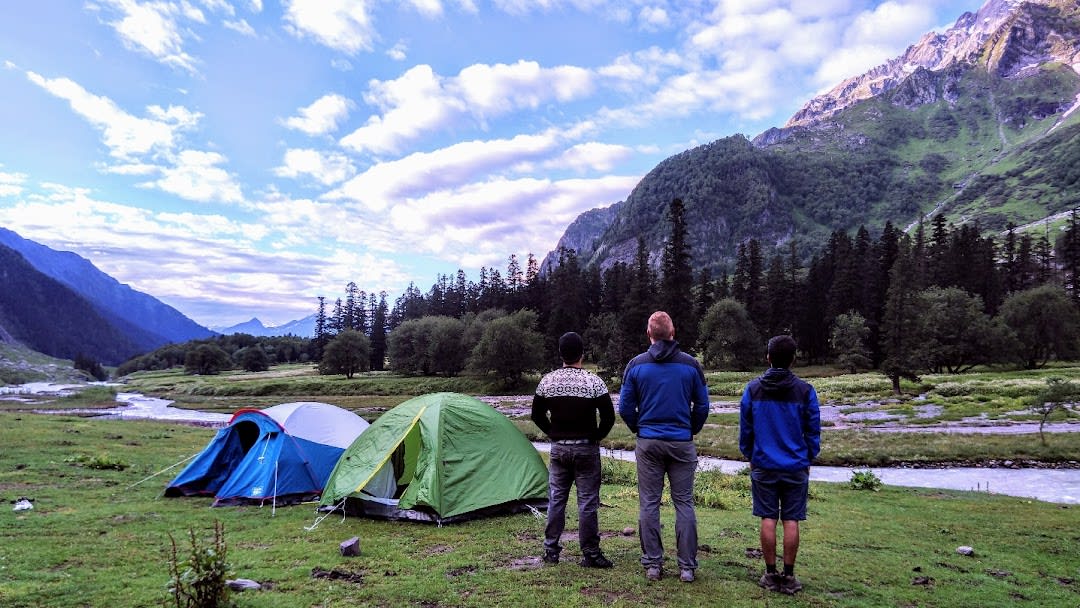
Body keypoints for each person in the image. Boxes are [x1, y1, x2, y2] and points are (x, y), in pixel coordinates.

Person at [618, 311, 710, 583]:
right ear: (673, 332)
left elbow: (624, 407)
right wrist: (690, 429)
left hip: (649, 442)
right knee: (684, 503)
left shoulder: (635, 365)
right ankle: (687, 568)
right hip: (681, 442)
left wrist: (640, 429)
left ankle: (653, 565)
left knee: (649, 502)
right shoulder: (691, 365)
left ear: (649, 335)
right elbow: (703, 406)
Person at [739, 335, 821, 595]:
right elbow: (813, 429)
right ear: (794, 360)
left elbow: (746, 429)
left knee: (768, 517)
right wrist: (809, 457)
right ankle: (789, 575)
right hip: (796, 465)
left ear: (768, 358)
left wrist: (749, 454)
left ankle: (770, 573)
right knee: (791, 520)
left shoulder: (753, 389)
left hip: (763, 463)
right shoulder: (806, 391)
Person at [531, 331, 617, 568]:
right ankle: (590, 553)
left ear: (561, 354)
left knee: (557, 499)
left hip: (559, 449)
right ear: (582, 353)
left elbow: (536, 414)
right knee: (587, 501)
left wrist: (553, 433)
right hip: (586, 448)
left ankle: (551, 550)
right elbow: (608, 417)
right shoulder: (593, 382)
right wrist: (595, 437)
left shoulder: (547, 381)